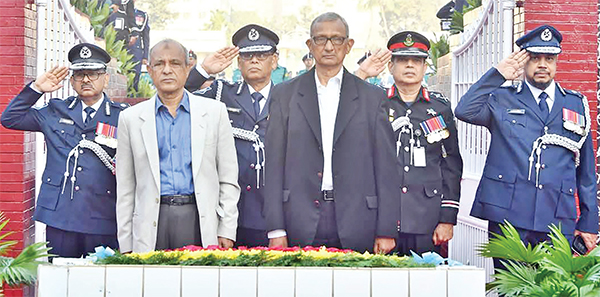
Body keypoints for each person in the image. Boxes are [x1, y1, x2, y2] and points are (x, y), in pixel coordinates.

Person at [454, 25, 598, 263]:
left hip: (557, 217)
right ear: (524, 62)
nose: (542, 64)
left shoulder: (575, 104)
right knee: (511, 287)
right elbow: (464, 110)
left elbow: (586, 172)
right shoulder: (502, 98)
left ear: (556, 63)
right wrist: (497, 75)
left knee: (552, 288)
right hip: (509, 216)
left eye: (549, 58)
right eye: (534, 58)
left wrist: (589, 222)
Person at [264, 12, 400, 253]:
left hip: (358, 218)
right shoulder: (285, 95)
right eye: (320, 39)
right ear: (310, 45)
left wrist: (386, 230)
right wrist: (276, 229)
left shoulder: (372, 98)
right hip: (298, 217)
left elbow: (387, 168)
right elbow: (273, 164)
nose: (328, 46)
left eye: (336, 39)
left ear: (348, 46)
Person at [1, 43, 127, 257]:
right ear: (72, 81)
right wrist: (36, 89)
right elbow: (10, 119)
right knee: (59, 280)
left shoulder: (122, 116)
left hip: (103, 216)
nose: (86, 79)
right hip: (61, 216)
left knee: (100, 283)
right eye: (79, 74)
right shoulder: (55, 110)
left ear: (105, 79)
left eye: (93, 74)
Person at [115, 39, 240, 253]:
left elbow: (228, 178)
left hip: (198, 218)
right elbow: (126, 188)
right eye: (159, 64)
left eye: (174, 63)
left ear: (187, 68)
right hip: (151, 221)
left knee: (197, 284)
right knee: (151, 285)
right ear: (149, 70)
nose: (167, 70)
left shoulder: (214, 113)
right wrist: (126, 242)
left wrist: (227, 229)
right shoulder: (131, 118)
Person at [190, 24, 280, 247]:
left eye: (261, 55)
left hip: (274, 214)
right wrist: (203, 71)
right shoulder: (222, 92)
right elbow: (176, 98)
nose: (254, 61)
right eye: (247, 55)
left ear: (274, 60)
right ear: (239, 62)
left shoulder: (288, 96)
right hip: (228, 213)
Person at [382, 31, 462, 254]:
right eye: (403, 60)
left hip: (428, 217)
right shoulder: (377, 103)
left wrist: (447, 219)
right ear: (391, 66)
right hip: (385, 217)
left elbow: (451, 165)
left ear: (425, 67)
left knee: (428, 286)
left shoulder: (439, 108)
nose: (410, 66)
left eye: (416, 60)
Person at [127, 0, 150, 91]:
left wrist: (145, 56)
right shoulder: (118, 11)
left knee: (135, 75)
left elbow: (145, 37)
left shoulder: (141, 15)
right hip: (120, 48)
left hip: (136, 50)